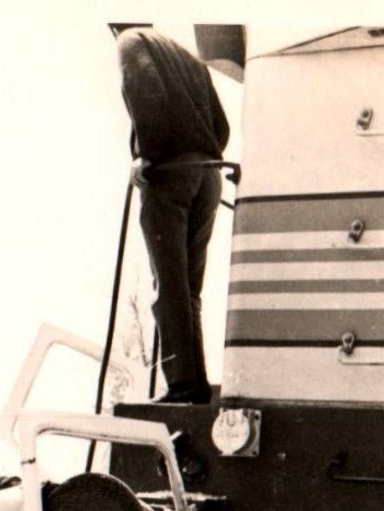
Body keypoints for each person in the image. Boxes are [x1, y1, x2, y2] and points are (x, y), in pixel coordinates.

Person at [116, 25, 231, 405]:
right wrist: (202, 154)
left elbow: (146, 88)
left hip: (171, 175)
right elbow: (222, 125)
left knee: (169, 285)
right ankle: (192, 383)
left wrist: (145, 154)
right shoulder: (187, 57)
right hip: (209, 175)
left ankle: (184, 385)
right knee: (188, 290)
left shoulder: (130, 41)